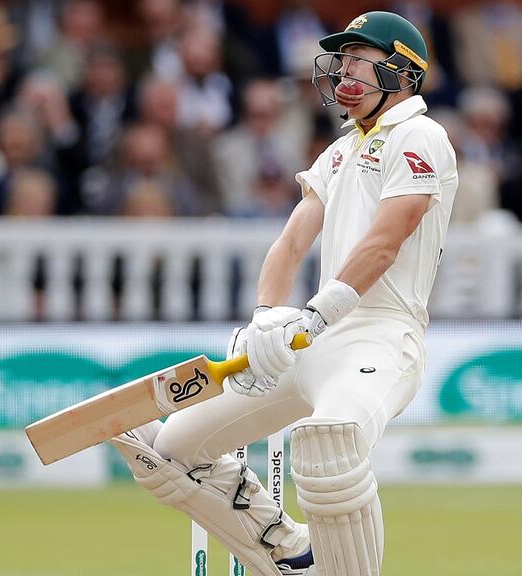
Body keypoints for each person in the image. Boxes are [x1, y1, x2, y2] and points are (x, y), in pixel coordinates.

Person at [110, 11, 457, 576]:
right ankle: (288, 549)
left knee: (329, 444)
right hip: (313, 340)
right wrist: (267, 317)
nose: (345, 70)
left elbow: (384, 244)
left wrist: (316, 317)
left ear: (400, 70)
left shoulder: (422, 135)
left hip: (380, 336)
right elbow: (291, 242)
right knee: (166, 451)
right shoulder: (339, 150)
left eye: (360, 60)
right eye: (342, 59)